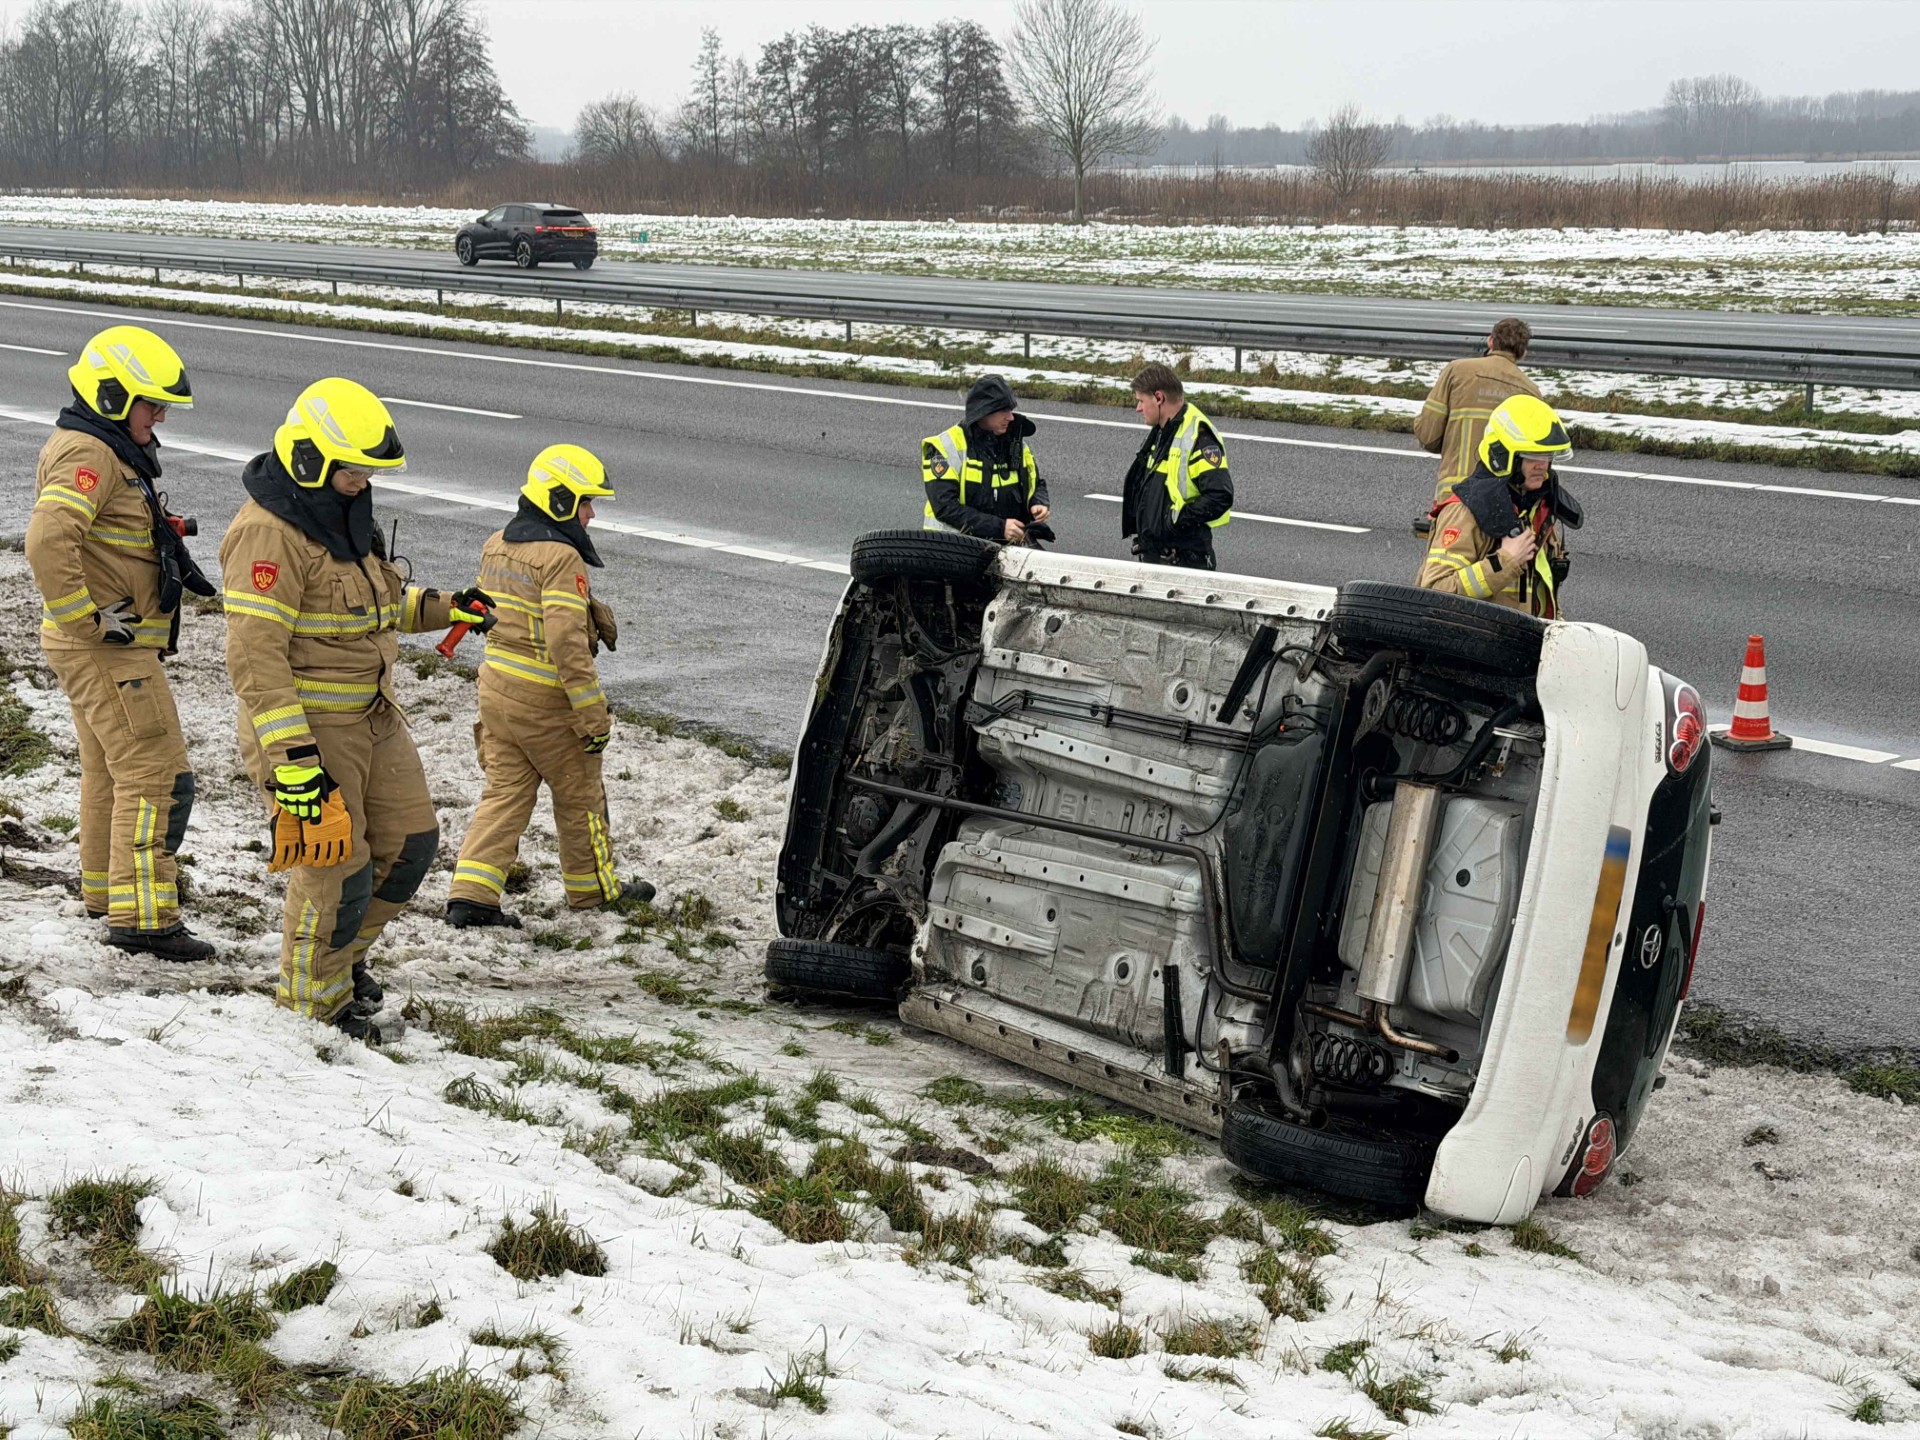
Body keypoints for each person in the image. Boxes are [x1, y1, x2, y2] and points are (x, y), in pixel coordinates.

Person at [219, 378, 493, 1042]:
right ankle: (314, 1006)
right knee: (333, 872)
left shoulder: (343, 513)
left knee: (410, 847)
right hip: (308, 736)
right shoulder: (267, 534)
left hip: (374, 717)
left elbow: (376, 604)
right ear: (310, 458)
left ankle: (343, 962)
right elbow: (256, 659)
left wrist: (445, 606)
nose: (363, 480)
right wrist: (293, 765)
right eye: (354, 468)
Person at [25, 325, 217, 962]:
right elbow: (48, 542)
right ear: (110, 396)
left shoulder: (102, 448)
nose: (161, 416)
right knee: (152, 771)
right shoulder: (91, 455)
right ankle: (144, 918)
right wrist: (90, 620)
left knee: (110, 769)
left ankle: (107, 891)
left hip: (106, 644)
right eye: (150, 403)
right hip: (107, 647)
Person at [444, 444, 654, 929]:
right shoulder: (561, 558)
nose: (592, 512)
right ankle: (593, 891)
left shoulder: (496, 543)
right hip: (546, 704)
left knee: (505, 792)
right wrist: (591, 714)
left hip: (496, 694)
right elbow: (566, 641)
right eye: (586, 502)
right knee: (580, 794)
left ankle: (471, 896)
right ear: (560, 500)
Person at [1417, 394, 1580, 618]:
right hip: (1474, 649)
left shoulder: (1537, 512)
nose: (1543, 465)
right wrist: (1505, 561)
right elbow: (1434, 592)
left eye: (1548, 455)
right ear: (1504, 456)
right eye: (1533, 455)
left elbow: (1542, 599)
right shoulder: (1465, 512)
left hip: (1522, 645)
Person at [1413, 318, 1541, 514]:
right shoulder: (1531, 392)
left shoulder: (1457, 370)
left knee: (1448, 544)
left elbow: (1428, 436)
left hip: (1454, 495)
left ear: (1490, 341)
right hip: (1501, 501)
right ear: (1524, 352)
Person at [1120, 363, 1232, 570]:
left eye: (1141, 401)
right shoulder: (1165, 431)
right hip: (1159, 556)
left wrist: (1176, 521)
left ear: (1159, 398)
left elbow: (1220, 496)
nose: (1138, 408)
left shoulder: (1198, 435)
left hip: (1184, 560)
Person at [921, 375, 1051, 543]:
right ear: (984, 412)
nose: (1011, 417)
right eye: (1004, 411)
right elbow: (945, 507)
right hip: (953, 549)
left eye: (1011, 410)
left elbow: (1035, 482)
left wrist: (1037, 503)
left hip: (1007, 545)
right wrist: (999, 527)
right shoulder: (945, 447)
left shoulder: (1016, 442)